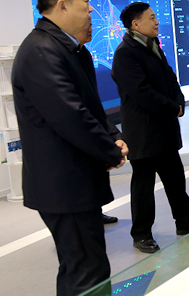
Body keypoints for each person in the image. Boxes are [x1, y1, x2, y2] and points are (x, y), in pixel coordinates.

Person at [12, 0, 128, 296]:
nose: (92, 9)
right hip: (63, 185)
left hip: (75, 180)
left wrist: (113, 136)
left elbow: (90, 105)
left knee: (84, 268)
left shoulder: (71, 50)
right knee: (86, 273)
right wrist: (110, 151)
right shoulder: (41, 51)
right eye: (87, 2)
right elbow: (70, 116)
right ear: (62, 6)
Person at [112, 2, 189, 253]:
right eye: (152, 17)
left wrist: (179, 101)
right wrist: (172, 108)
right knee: (143, 187)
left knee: (175, 179)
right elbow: (141, 93)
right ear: (136, 24)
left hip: (163, 128)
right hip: (144, 132)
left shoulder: (152, 45)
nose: (157, 22)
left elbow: (170, 78)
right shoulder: (126, 53)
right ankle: (141, 234)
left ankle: (186, 221)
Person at [73, 25, 120, 226]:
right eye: (87, 26)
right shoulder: (59, 55)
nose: (91, 30)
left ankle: (96, 211)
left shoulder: (83, 54)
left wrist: (113, 135)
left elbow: (92, 101)